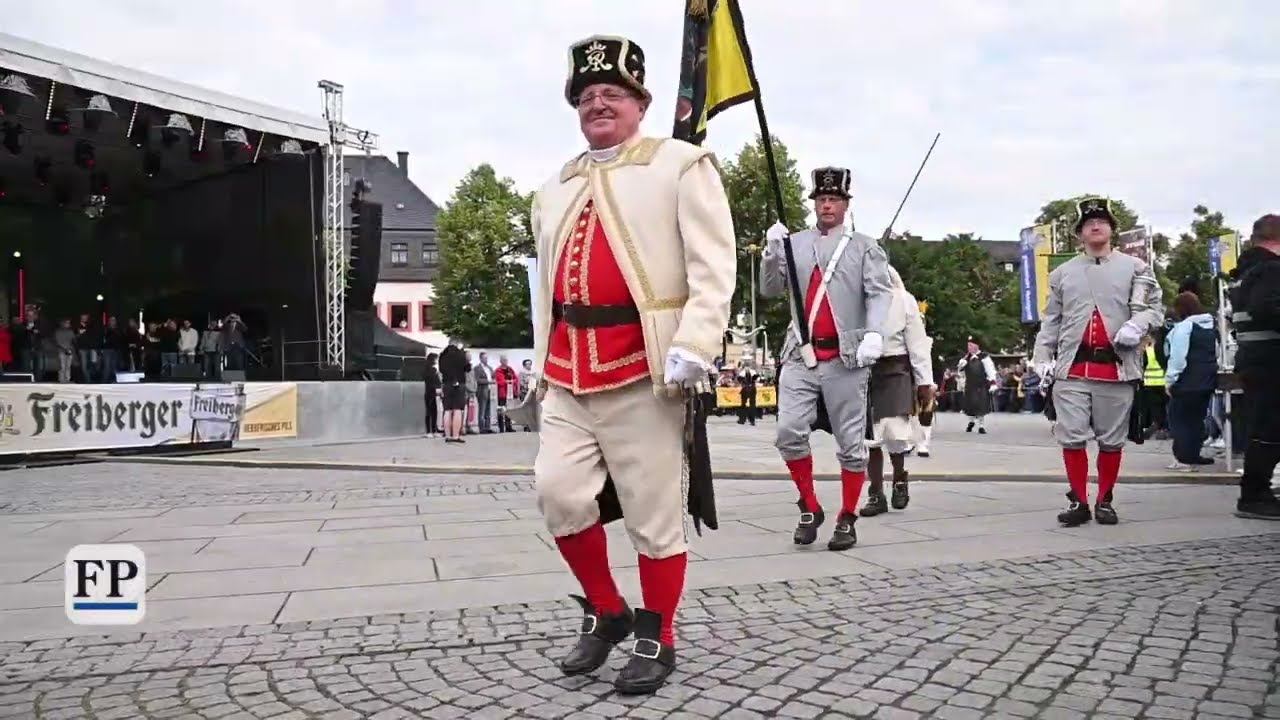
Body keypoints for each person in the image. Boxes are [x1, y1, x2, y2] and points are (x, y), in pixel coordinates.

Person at [527, 35, 736, 695]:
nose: (598, 105)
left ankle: (658, 635)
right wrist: (539, 364)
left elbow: (714, 267)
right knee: (558, 493)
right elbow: (546, 289)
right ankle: (607, 610)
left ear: (640, 102)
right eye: (586, 97)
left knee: (653, 513)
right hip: (567, 368)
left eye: (611, 94)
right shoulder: (553, 188)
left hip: (646, 366)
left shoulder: (682, 164)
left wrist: (695, 343)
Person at [759, 166, 894, 551]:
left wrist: (874, 333)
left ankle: (847, 516)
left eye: (834, 199)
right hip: (800, 352)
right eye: (821, 199)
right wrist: (772, 253)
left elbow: (879, 293)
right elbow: (769, 290)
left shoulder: (864, 246)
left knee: (851, 444)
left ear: (846, 204)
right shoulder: (796, 242)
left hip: (845, 356)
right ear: (814, 204)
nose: (827, 205)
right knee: (788, 432)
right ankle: (809, 505)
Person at [1032, 197, 1164, 526]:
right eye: (1088, 223)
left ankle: (1105, 498)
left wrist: (1138, 324)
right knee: (1071, 436)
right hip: (1072, 369)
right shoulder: (1063, 273)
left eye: (1102, 221)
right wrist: (1041, 355)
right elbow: (1052, 319)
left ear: (1111, 228)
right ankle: (1079, 499)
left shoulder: (1137, 268)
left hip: (1116, 369)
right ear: (1079, 234)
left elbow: (1156, 309)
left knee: (1112, 440)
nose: (1095, 225)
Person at [860, 265, 934, 516]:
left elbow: (918, 344)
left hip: (896, 368)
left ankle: (900, 481)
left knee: (894, 430)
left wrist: (925, 383)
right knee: (870, 437)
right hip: (865, 370)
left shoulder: (904, 300)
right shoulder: (857, 300)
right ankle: (876, 493)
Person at [1228, 213, 1280, 519]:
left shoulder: (1245, 272)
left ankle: (1256, 491)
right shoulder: (1272, 269)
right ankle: (1254, 494)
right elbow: (1269, 308)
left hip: (1254, 358)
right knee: (1271, 429)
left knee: (1265, 427)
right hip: (1272, 359)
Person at [1163, 291, 1217, 470]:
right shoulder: (1211, 326)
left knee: (1178, 419)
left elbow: (1178, 357)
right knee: (1196, 419)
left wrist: (1170, 380)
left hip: (1186, 381)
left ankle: (1183, 458)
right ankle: (1194, 455)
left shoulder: (1185, 327)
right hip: (1207, 380)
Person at [957, 337, 997, 433]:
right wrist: (961, 366)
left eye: (971, 345)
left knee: (981, 406)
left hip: (981, 385)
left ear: (977, 346)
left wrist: (993, 383)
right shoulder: (966, 358)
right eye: (968, 345)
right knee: (970, 405)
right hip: (970, 386)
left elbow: (990, 371)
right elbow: (960, 373)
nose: (969, 347)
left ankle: (981, 426)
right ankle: (971, 422)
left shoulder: (984, 357)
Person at [438, 339, 468, 443]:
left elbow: (441, 369)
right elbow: (467, 368)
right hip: (459, 384)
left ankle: (447, 435)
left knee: (447, 410)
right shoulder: (460, 354)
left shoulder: (442, 355)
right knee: (458, 410)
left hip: (446, 384)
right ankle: (455, 435)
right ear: (456, 344)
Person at [494, 355, 518, 432]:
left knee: (509, 410)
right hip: (502, 394)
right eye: (504, 360)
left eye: (506, 360)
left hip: (510, 394)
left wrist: (511, 381)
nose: (505, 362)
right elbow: (500, 381)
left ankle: (508, 426)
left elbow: (516, 378)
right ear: (500, 361)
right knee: (501, 410)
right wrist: (508, 382)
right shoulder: (498, 370)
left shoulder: (510, 369)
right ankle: (501, 427)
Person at [424, 352, 441, 438]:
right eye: (436, 359)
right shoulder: (430, 369)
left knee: (434, 411)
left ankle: (434, 430)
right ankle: (428, 431)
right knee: (429, 412)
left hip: (432, 392)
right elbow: (432, 381)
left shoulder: (434, 369)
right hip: (429, 392)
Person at [737, 361, 759, 426]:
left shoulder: (742, 372)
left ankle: (742, 420)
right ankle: (752, 420)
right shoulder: (753, 372)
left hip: (745, 389)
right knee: (752, 404)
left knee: (743, 404)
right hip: (752, 389)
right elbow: (757, 380)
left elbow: (739, 380)